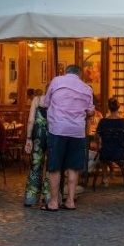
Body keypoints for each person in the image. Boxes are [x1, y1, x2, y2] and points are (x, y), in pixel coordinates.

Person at [43, 65, 95, 211]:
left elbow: (46, 103)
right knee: (73, 167)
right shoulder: (87, 88)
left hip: (57, 129)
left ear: (66, 72)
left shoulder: (56, 81)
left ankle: (53, 202)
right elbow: (90, 111)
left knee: (55, 167)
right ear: (79, 75)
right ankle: (70, 201)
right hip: (77, 131)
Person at [23, 89, 50, 207]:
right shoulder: (56, 101)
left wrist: (28, 138)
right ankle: (48, 196)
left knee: (35, 164)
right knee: (51, 166)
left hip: (38, 136)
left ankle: (31, 197)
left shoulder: (37, 99)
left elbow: (30, 121)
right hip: (52, 135)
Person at [96, 98, 124, 179]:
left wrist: (100, 143)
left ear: (108, 107)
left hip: (105, 152)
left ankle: (105, 178)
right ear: (119, 107)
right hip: (120, 152)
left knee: (103, 154)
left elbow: (97, 136)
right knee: (113, 151)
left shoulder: (103, 121)